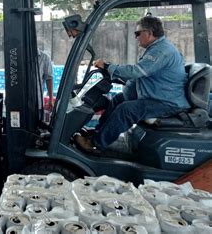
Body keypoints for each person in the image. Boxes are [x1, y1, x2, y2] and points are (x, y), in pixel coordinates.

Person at [74, 16, 190, 153]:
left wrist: (107, 66)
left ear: (149, 33)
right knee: (117, 100)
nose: (136, 37)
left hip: (166, 102)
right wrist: (114, 72)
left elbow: (137, 71)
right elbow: (140, 74)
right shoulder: (157, 48)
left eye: (137, 33)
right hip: (157, 96)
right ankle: (97, 133)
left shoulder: (161, 51)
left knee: (126, 110)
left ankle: (96, 144)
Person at [37, 48, 54, 122]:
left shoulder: (44, 58)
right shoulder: (19, 56)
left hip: (37, 102)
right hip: (21, 102)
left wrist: (51, 99)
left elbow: (49, 78)